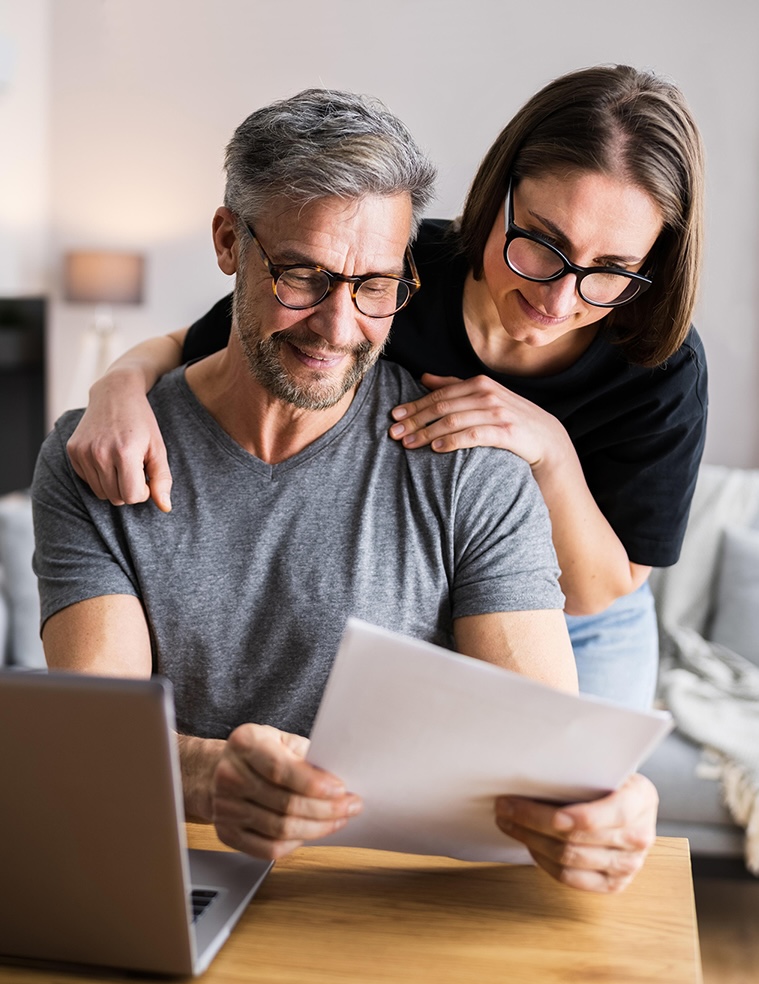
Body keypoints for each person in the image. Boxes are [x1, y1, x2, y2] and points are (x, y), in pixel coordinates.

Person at [34, 88, 657, 894]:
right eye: (302, 275)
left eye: (375, 286)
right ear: (228, 242)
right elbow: (94, 741)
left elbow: (544, 756)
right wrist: (205, 777)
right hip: (172, 883)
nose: (337, 327)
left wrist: (616, 803)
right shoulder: (102, 455)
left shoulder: (472, 465)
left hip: (388, 907)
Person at [66, 65, 708, 711]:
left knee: (573, 794)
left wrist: (549, 450)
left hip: (585, 620)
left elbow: (599, 590)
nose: (558, 296)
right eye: (541, 243)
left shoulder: (658, 361)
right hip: (447, 585)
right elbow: (198, 344)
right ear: (496, 197)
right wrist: (116, 388)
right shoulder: (386, 269)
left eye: (611, 269)